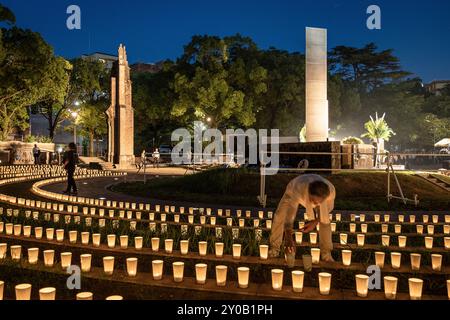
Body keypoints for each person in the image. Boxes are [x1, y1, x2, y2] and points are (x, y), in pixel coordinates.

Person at [269, 174, 336, 262]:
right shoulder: (298, 188)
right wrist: (288, 239)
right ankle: (274, 249)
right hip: (292, 190)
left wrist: (315, 222)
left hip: (318, 194)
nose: (315, 204)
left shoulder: (330, 192)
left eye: (318, 202)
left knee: (325, 221)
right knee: (280, 215)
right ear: (308, 194)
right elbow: (289, 216)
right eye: (313, 201)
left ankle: (326, 254)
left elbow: (325, 215)